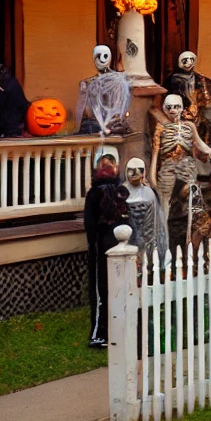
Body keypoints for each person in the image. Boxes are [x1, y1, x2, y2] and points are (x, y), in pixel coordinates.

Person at [83, 146, 129, 348]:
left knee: (121, 287)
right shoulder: (94, 194)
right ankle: (99, 332)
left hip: (121, 246)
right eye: (102, 163)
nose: (106, 166)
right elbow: (89, 225)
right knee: (102, 289)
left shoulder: (121, 192)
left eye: (110, 163)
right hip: (100, 248)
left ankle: (120, 328)